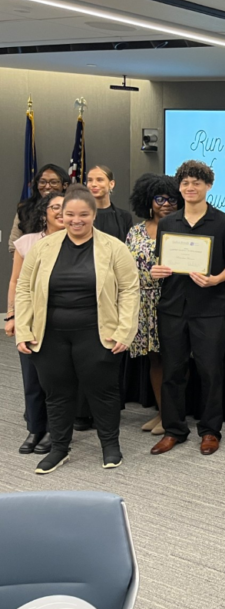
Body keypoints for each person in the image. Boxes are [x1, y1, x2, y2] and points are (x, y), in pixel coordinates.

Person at [15, 184, 139, 474]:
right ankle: (59, 449)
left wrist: (125, 332)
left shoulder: (114, 248)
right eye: (69, 214)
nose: (76, 219)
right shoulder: (43, 248)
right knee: (57, 394)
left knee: (103, 392)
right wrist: (23, 329)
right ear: (60, 214)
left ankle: (110, 445)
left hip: (98, 334)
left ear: (94, 214)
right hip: (50, 336)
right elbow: (24, 288)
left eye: (83, 214)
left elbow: (131, 291)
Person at [150, 160, 225, 457]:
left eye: (197, 183)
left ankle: (210, 431)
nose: (191, 188)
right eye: (186, 183)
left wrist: (215, 279)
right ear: (180, 187)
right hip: (172, 306)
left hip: (208, 308)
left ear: (208, 186)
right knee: (173, 371)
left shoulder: (224, 222)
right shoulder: (168, 223)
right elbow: (160, 262)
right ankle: (174, 429)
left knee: (210, 371)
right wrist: (156, 271)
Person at [6, 192, 64, 455]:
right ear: (44, 212)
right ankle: (35, 428)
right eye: (56, 207)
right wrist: (11, 316)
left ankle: (56, 430)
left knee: (56, 379)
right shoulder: (26, 243)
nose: (62, 212)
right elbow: (15, 282)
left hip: (61, 321)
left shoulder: (77, 243)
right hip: (29, 320)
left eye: (67, 207)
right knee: (31, 378)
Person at [126, 174, 181, 437]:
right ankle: (161, 412)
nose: (166, 204)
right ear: (149, 200)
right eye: (160, 198)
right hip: (143, 303)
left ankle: (172, 416)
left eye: (172, 199)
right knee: (154, 361)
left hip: (171, 301)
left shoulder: (182, 230)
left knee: (174, 361)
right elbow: (125, 268)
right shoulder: (135, 231)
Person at [9, 164, 69, 254]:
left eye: (53, 182)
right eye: (42, 182)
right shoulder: (24, 209)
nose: (47, 186)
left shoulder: (73, 208)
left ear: (64, 185)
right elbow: (14, 245)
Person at [86, 165, 133, 240]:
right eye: (90, 180)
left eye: (99, 180)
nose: (93, 184)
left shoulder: (124, 217)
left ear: (111, 184)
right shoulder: (81, 215)